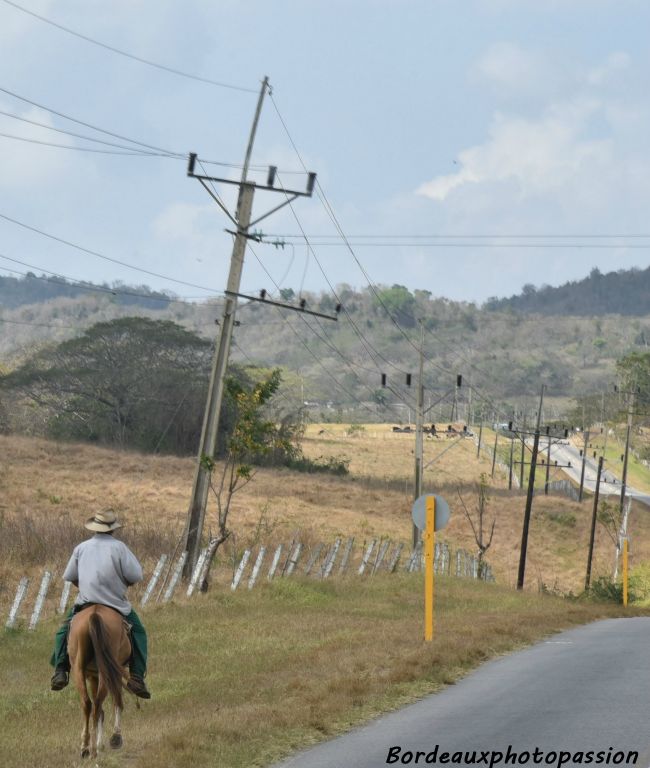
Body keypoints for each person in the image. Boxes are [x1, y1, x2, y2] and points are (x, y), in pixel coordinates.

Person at [50, 508, 151, 699]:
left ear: (94, 528)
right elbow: (136, 576)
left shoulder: (81, 548)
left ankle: (61, 670)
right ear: (113, 529)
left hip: (85, 603)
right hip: (115, 604)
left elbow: (70, 576)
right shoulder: (120, 548)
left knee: (63, 631)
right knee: (139, 632)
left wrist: (84, 587)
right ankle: (136, 677)